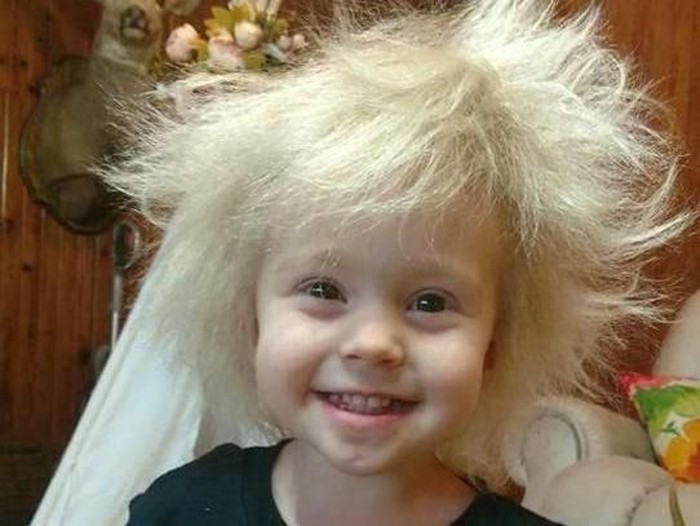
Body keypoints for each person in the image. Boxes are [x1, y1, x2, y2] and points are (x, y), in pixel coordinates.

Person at [32, 1, 688, 525]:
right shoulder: (180, 510)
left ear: (495, 344)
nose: (374, 343)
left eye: (430, 302)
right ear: (249, 320)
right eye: (323, 289)